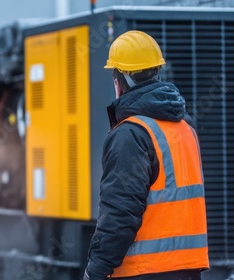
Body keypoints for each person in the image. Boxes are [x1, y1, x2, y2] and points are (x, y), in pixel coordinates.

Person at [83, 30, 209, 280]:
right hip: (188, 269)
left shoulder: (130, 135)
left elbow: (120, 213)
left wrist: (95, 271)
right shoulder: (186, 127)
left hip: (144, 271)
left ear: (120, 80)